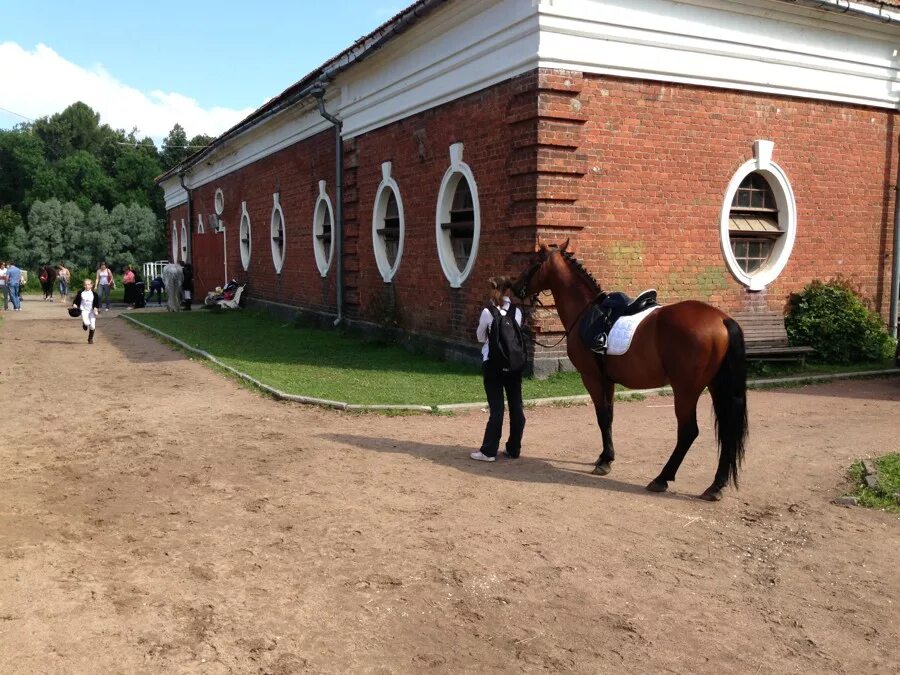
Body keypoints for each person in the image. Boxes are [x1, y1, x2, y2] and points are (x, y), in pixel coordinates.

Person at [470, 276, 527, 463]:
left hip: (493, 363)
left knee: (497, 408)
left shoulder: (488, 311)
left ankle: (488, 451)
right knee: (516, 406)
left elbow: (479, 337)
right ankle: (513, 448)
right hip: (514, 364)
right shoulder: (517, 311)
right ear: (509, 290)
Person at [72, 278, 100, 344]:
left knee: (92, 326)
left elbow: (97, 304)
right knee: (87, 323)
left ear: (91, 285)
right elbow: (76, 300)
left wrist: (96, 309)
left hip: (91, 311)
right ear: (84, 285)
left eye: (88, 284)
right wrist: (74, 304)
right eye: (85, 285)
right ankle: (84, 323)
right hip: (84, 310)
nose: (87, 286)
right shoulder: (81, 293)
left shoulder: (95, 294)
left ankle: (90, 339)